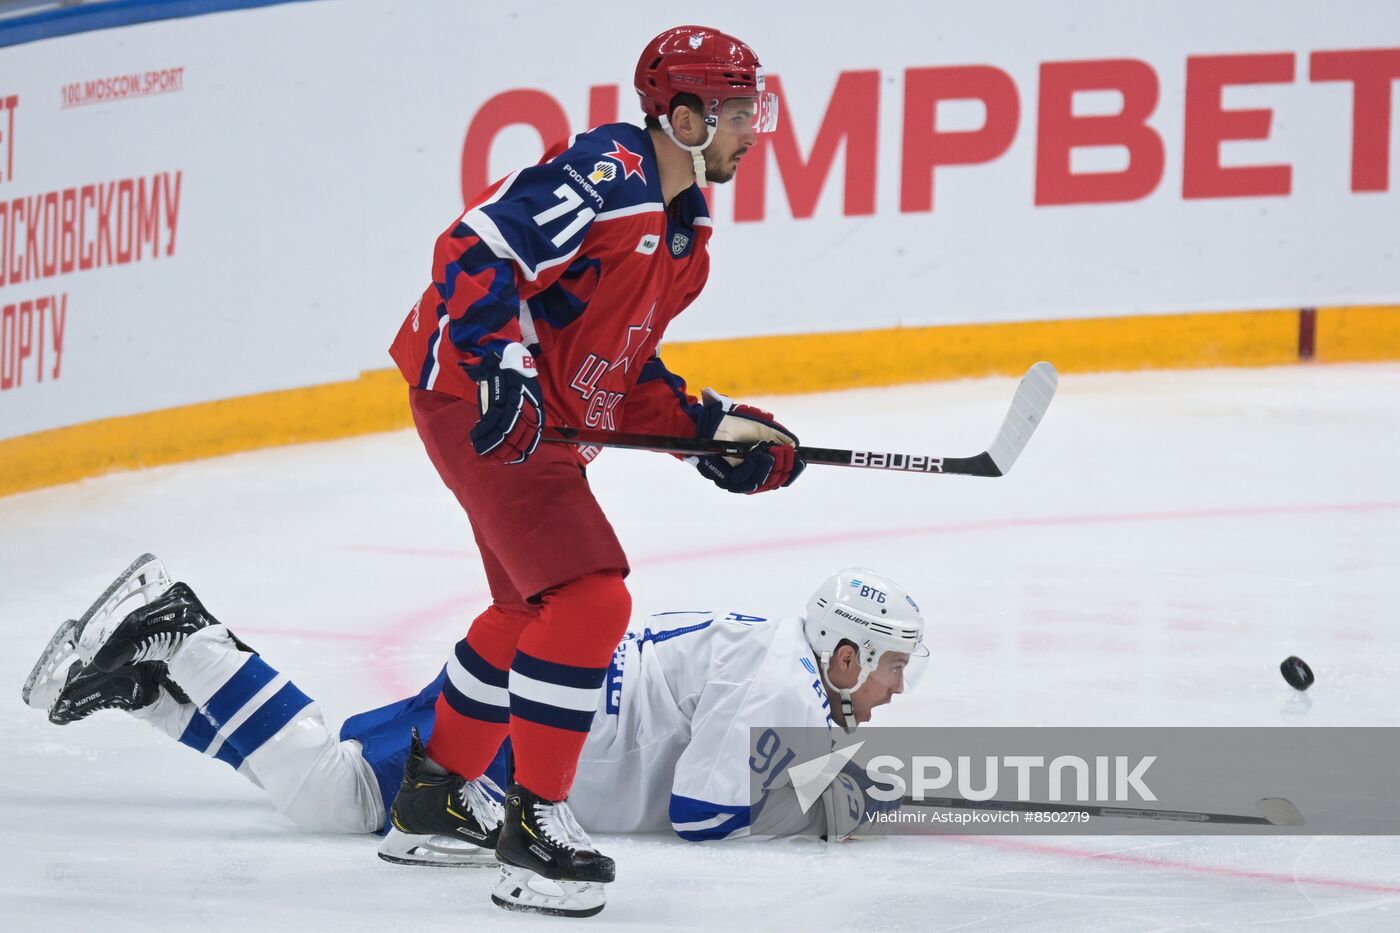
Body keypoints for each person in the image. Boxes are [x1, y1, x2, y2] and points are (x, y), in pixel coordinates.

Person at [382, 23, 804, 915]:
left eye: (753, 108)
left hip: (515, 403)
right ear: (682, 116)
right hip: (477, 396)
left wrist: (713, 429)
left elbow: (613, 372)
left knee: (522, 607)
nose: (752, 129)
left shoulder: (685, 234)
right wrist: (497, 360)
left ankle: (435, 796)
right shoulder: (610, 175)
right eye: (735, 110)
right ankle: (535, 829)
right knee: (589, 597)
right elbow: (475, 249)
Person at [25, 558, 928, 917]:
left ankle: (150, 684)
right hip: (526, 731)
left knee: (341, 770)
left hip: (532, 702)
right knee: (333, 795)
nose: (894, 690)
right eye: (890, 666)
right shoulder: (782, 677)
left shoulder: (777, 659)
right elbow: (703, 811)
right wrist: (820, 810)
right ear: (844, 651)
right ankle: (185, 633)